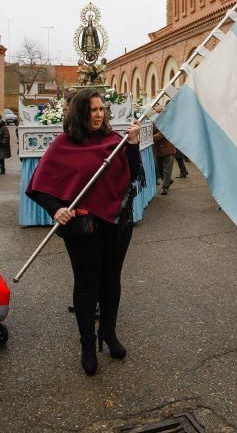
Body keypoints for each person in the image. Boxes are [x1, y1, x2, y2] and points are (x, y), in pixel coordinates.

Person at [26, 89, 141, 376]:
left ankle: (109, 334)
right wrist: (55, 209)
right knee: (88, 284)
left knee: (111, 280)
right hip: (83, 227)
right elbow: (40, 185)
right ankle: (88, 345)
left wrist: (133, 145)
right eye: (92, 110)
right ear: (80, 113)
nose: (99, 114)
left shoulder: (114, 141)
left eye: (102, 109)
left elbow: (133, 175)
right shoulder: (63, 145)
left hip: (116, 223)